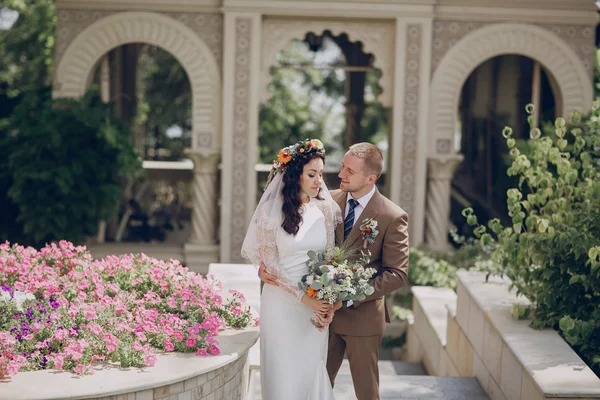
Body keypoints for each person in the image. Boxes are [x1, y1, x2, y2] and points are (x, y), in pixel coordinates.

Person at [241, 138, 342, 400]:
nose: (319, 180)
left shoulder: (325, 210)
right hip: (282, 306)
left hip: (314, 312)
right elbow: (270, 268)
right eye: (312, 174)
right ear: (295, 175)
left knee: (311, 374)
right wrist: (303, 298)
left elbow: (330, 262)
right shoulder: (269, 213)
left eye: (321, 174)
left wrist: (328, 305)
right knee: (284, 379)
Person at [327, 142, 410, 400]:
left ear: (370, 177)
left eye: (350, 171)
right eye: (342, 167)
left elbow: (397, 274)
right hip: (323, 317)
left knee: (366, 394)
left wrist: (349, 296)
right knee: (313, 386)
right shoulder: (327, 201)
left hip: (362, 320)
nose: (341, 174)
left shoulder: (392, 216)